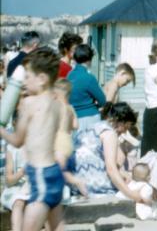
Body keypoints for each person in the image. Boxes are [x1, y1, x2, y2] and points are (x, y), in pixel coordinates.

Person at [0, 48, 65, 231]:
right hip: (54, 173)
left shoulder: (29, 104)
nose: (23, 82)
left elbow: (17, 141)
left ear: (42, 79)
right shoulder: (57, 104)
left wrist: (1, 130)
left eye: (28, 77)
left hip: (40, 176)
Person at [71, 101, 145, 202]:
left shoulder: (96, 125)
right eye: (127, 127)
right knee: (132, 183)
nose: (125, 132)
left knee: (123, 176)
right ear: (120, 121)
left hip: (75, 179)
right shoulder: (109, 133)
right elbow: (111, 169)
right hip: (90, 181)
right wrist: (131, 195)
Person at [67, 44, 106, 131]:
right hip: (90, 117)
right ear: (89, 60)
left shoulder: (69, 76)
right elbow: (103, 101)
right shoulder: (89, 77)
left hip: (73, 118)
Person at [1, 115, 30, 231]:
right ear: (14, 124)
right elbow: (9, 180)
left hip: (36, 185)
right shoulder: (12, 149)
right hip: (18, 187)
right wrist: (23, 171)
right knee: (18, 203)